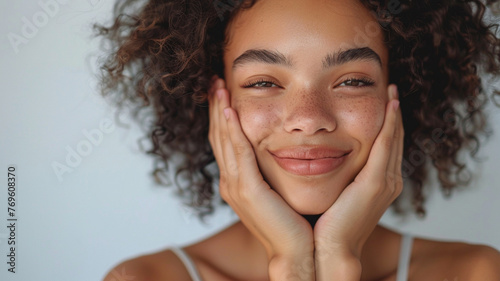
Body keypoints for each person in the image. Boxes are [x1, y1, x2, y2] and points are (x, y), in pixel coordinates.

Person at [96, 0, 500, 280]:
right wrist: (291, 266)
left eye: (353, 81)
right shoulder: (144, 279)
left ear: (402, 93)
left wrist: (337, 262)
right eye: (263, 82)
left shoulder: (476, 274)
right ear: (216, 99)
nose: (309, 119)